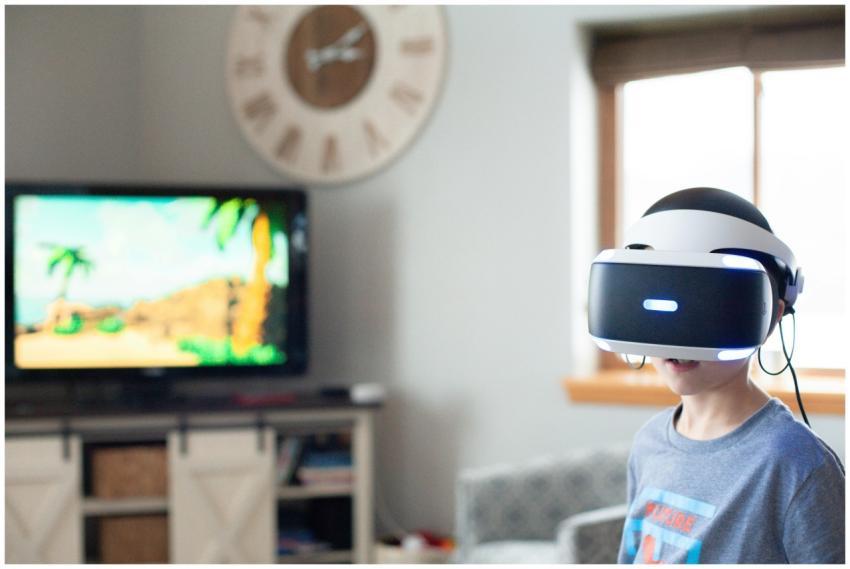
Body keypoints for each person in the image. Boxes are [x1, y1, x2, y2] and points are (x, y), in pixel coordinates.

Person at [616, 189, 845, 564]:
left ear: (769, 317)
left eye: (706, 307)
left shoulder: (796, 464)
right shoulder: (648, 443)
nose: (681, 341)